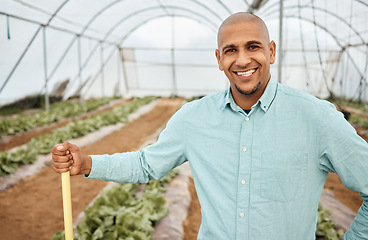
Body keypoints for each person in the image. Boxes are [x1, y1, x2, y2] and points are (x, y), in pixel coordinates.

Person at [51, 12, 368, 239]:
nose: (242, 60)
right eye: (231, 50)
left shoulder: (317, 118)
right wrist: (87, 163)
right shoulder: (194, 118)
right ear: (219, 59)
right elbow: (147, 165)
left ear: (271, 51)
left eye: (253, 47)